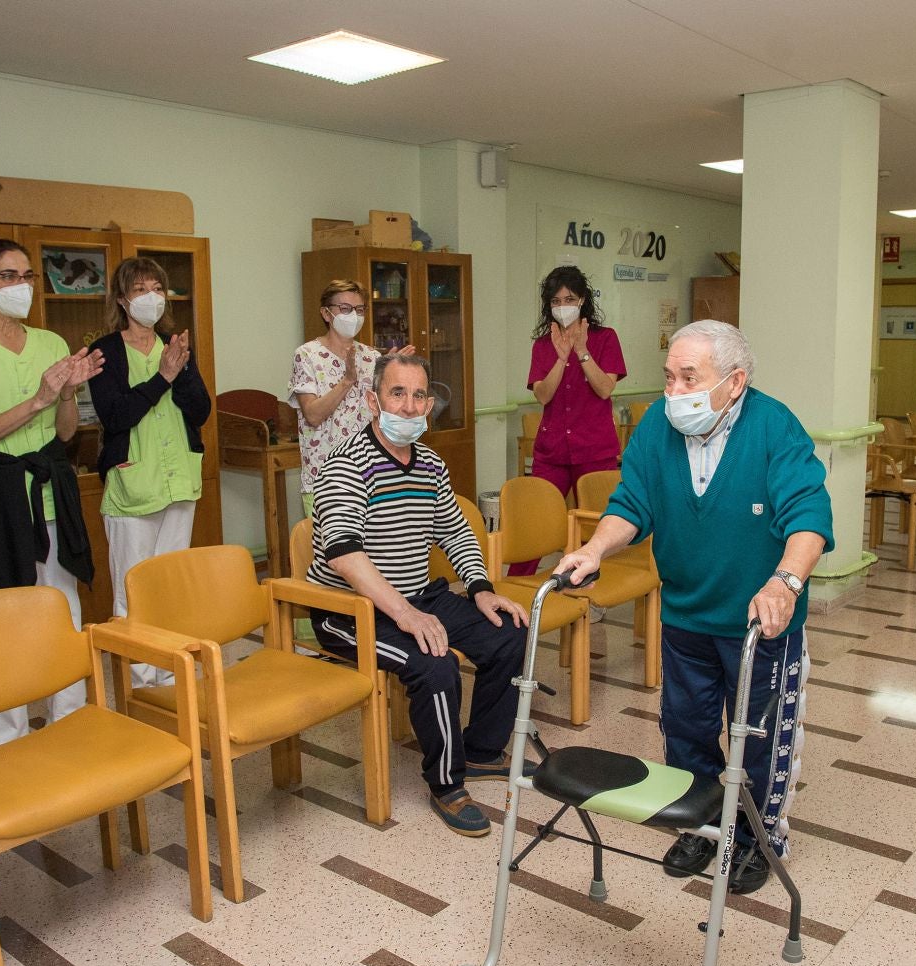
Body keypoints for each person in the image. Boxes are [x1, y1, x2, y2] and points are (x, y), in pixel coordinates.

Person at [555, 321, 831, 895]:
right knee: (686, 730)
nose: (673, 392)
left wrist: (786, 582)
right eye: (668, 377)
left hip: (760, 623)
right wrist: (594, 549)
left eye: (689, 378)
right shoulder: (658, 425)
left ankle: (758, 838)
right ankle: (703, 828)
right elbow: (633, 502)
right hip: (685, 614)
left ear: (734, 382)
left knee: (757, 735)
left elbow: (809, 516)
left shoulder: (774, 426)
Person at [307, 354, 530, 837]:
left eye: (419, 395)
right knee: (435, 662)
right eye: (397, 393)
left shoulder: (429, 463)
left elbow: (455, 532)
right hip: (347, 611)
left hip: (414, 596)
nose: (409, 407)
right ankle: (447, 785)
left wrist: (481, 589)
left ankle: (481, 752)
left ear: (430, 403)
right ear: (372, 400)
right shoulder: (345, 465)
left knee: (509, 632)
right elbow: (344, 556)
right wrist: (405, 614)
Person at [0, 239, 103, 747]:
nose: (22, 286)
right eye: (8, 276)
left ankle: (70, 720)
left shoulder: (50, 342)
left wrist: (67, 394)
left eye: (28, 276)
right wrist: (39, 399)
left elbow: (67, 433)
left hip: (51, 493)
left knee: (62, 613)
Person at [88, 256, 211, 686]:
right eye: (141, 290)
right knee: (133, 590)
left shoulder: (174, 345)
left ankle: (171, 673)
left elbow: (200, 411)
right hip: (132, 485)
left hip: (179, 482)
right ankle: (140, 681)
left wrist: (181, 373)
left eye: (157, 288)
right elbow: (116, 415)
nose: (151, 297)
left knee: (171, 587)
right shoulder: (105, 350)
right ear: (122, 299)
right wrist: (162, 377)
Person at [515, 266, 627, 573]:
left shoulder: (605, 338)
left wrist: (582, 351)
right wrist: (562, 357)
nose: (563, 306)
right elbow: (543, 395)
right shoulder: (542, 345)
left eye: (570, 298)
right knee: (534, 523)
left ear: (583, 301)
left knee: (597, 530)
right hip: (552, 451)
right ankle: (512, 593)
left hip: (594, 449)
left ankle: (594, 586)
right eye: (556, 301)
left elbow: (605, 389)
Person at [288, 279, 381, 515]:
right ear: (326, 314)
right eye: (345, 309)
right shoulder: (307, 355)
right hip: (325, 478)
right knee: (333, 551)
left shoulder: (372, 357)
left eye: (359, 310)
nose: (354, 316)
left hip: (371, 476)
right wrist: (347, 380)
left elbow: (384, 415)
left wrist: (398, 376)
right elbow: (313, 415)